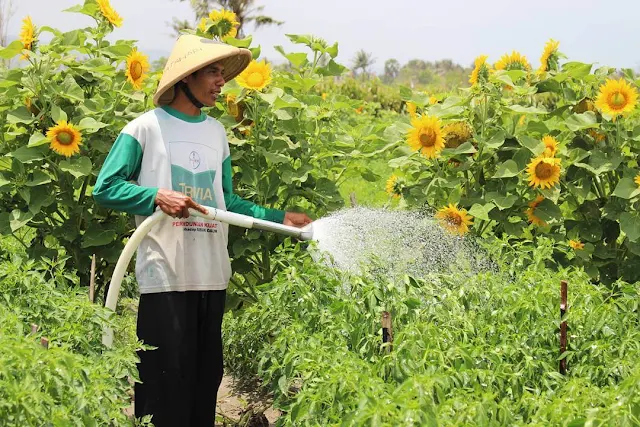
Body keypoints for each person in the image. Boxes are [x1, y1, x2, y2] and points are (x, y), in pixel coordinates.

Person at [92, 35, 312, 427]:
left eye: (221, 73)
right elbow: (106, 188)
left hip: (210, 273)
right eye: (212, 72)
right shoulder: (144, 128)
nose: (220, 81)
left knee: (204, 379)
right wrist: (156, 196)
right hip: (165, 275)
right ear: (187, 77)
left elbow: (225, 203)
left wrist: (280, 217)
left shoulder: (216, 134)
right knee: (165, 381)